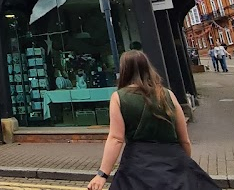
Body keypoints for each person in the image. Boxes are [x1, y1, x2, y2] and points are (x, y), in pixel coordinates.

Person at [87, 51, 219, 190]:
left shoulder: (119, 97)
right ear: (147, 68)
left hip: (137, 169)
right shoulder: (168, 95)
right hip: (174, 162)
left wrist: (102, 175)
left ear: (124, 70)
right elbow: (184, 140)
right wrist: (183, 166)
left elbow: (116, 139)